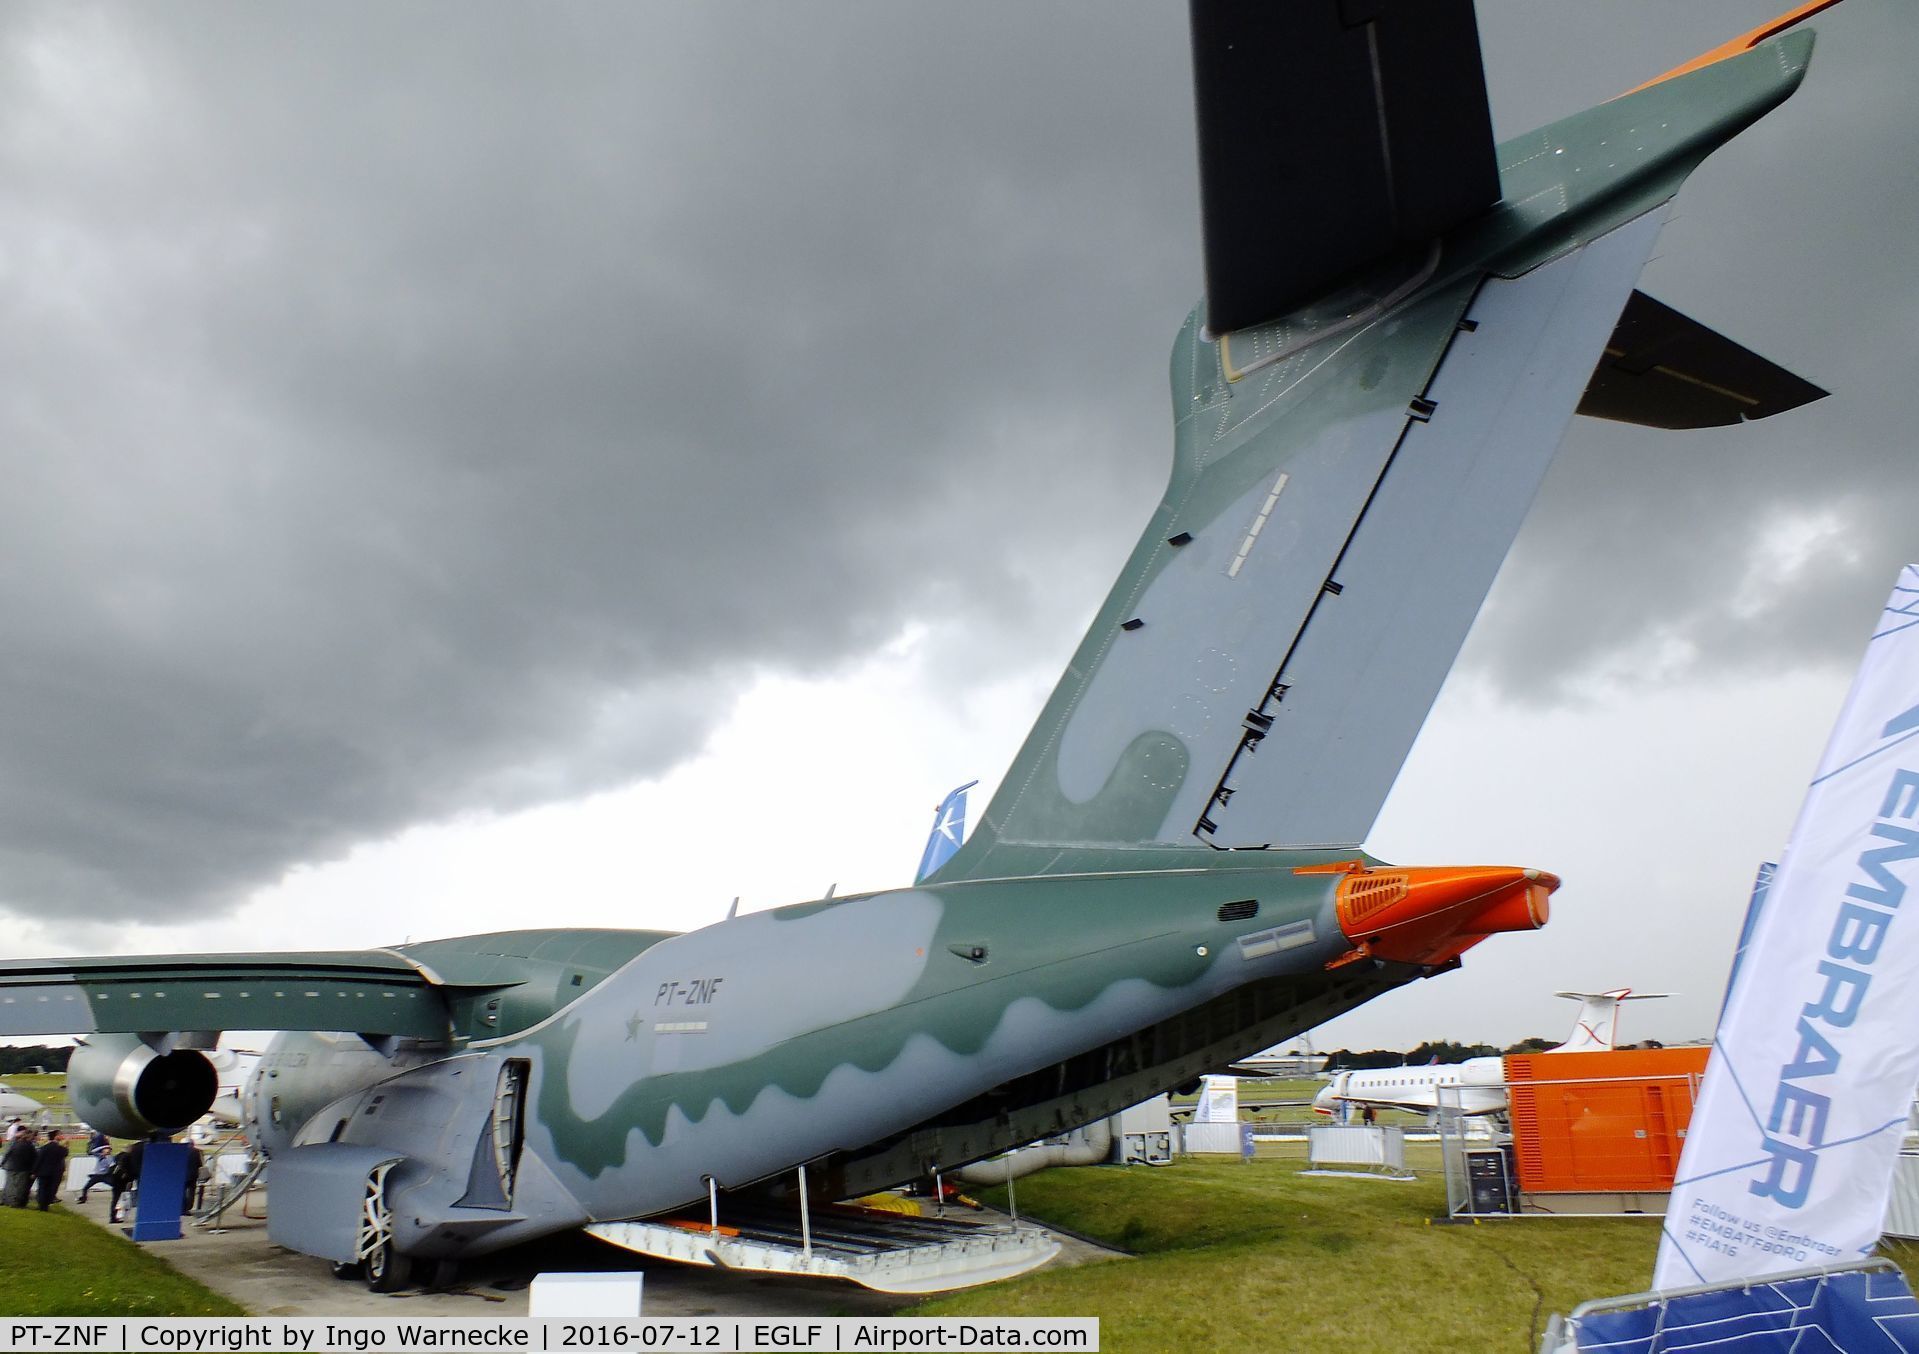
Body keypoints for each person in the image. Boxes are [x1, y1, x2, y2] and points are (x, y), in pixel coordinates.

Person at [32, 1130, 66, 1211]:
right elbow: (65, 1153)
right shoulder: (60, 1148)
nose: (62, 1136)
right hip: (55, 1173)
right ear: (56, 1136)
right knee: (51, 1189)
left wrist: (34, 1171)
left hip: (44, 1172)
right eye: (60, 1134)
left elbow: (39, 1160)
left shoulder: (44, 1148)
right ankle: (46, 1204)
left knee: (42, 1189)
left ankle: (41, 1205)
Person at [1, 1127, 34, 1207]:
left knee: (10, 1185)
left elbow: (7, 1153)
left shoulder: (14, 1143)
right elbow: (33, 1157)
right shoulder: (29, 1145)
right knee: (19, 1187)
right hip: (22, 1168)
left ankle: (7, 1200)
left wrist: (3, 1163)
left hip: (11, 1166)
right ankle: (15, 1202)